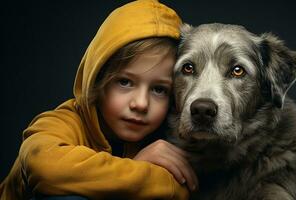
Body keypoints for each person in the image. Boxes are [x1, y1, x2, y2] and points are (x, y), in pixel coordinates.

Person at [0, 0, 198, 199]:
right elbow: (42, 167)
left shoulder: (164, 137)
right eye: (125, 82)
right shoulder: (63, 122)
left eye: (159, 89)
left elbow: (184, 186)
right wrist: (137, 168)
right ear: (97, 80)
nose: (141, 104)